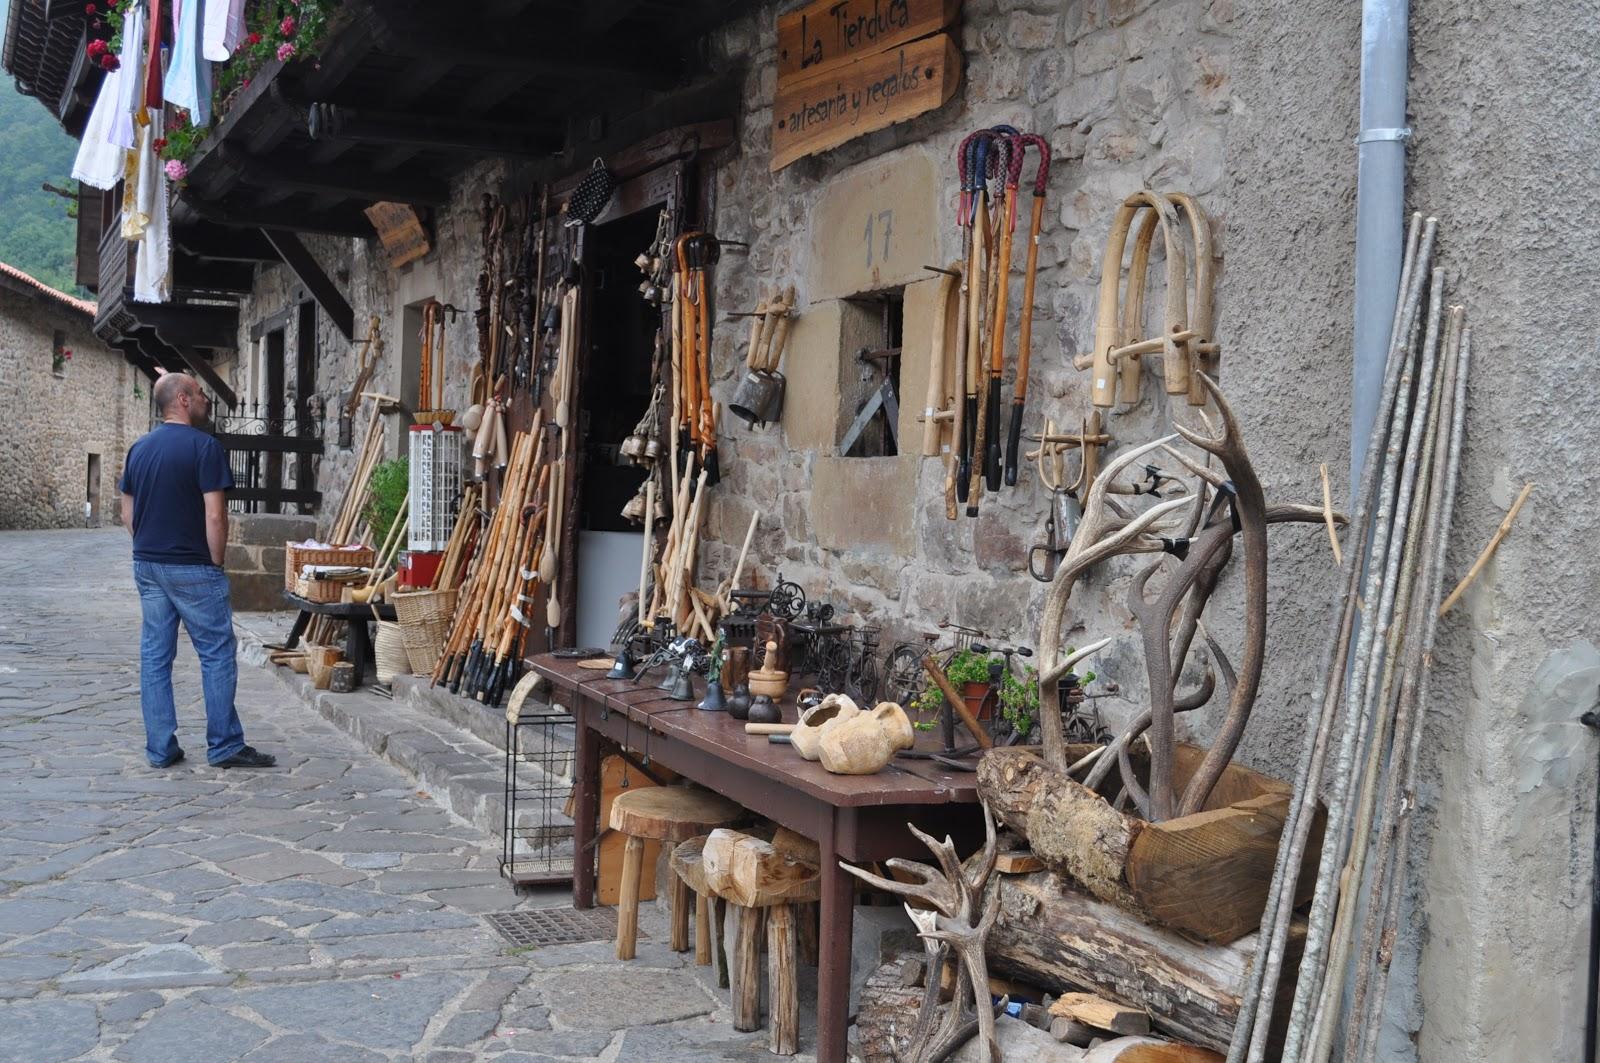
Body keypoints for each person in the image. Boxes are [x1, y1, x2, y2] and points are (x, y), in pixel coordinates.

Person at [119, 372, 275, 770]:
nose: (207, 398)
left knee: (155, 655)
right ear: (184, 399)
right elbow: (215, 515)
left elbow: (126, 513)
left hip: (148, 565)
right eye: (202, 393)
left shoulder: (138, 449)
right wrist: (216, 563)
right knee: (217, 653)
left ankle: (160, 748)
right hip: (193, 567)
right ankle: (223, 745)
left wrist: (151, 545)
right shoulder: (205, 448)